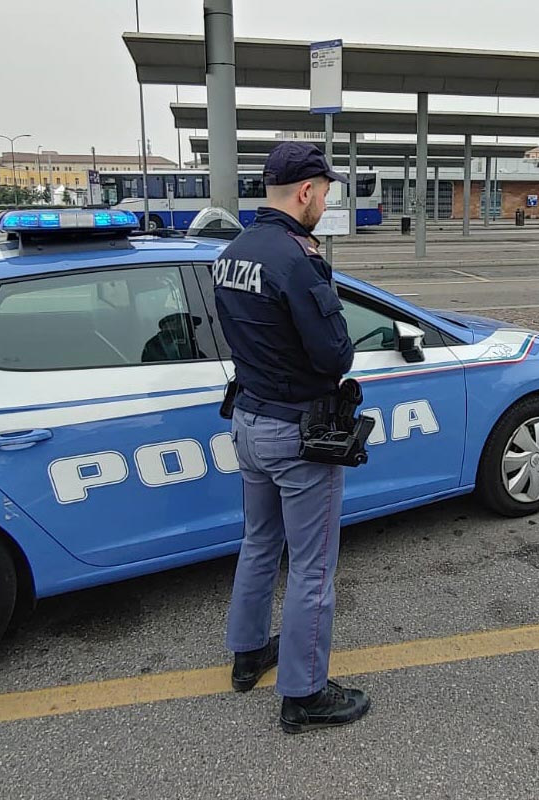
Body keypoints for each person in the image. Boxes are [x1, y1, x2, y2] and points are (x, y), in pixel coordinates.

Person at [214, 141, 369, 735]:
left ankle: (248, 654)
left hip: (248, 422)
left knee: (258, 542)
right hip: (298, 433)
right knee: (312, 566)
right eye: (325, 194)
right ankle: (304, 694)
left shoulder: (233, 252)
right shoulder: (294, 259)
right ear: (305, 192)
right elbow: (335, 354)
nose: (324, 204)